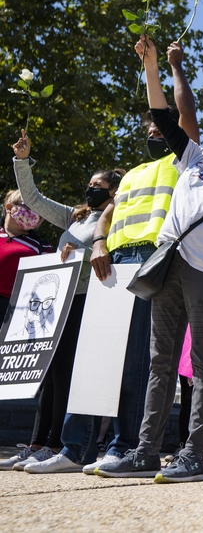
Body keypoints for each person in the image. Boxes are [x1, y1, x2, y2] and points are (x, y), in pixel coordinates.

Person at [98, 35, 203, 484]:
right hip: (168, 265)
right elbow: (165, 113)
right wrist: (155, 65)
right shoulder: (194, 157)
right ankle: (145, 451)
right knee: (160, 362)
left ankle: (194, 454)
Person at [49, 44, 200, 477]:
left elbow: (182, 113)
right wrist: (99, 244)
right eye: (151, 127)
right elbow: (107, 217)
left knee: (137, 362)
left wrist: (169, 66)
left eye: (161, 125)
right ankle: (73, 449)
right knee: (94, 358)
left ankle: (125, 446)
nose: (156, 130)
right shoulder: (131, 173)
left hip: (154, 264)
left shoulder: (183, 160)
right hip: (111, 265)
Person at [9, 131, 122, 472]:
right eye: (89, 184)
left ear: (113, 191)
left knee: (66, 375)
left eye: (97, 185)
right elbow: (34, 198)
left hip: (88, 301)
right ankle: (37, 444)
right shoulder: (76, 216)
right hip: (57, 303)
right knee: (50, 375)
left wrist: (83, 250)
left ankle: (59, 444)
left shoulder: (116, 218)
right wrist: (22, 161)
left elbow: (108, 255)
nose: (90, 189)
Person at [0, 191, 55, 471]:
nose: (33, 212)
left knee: (47, 379)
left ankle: (37, 443)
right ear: (9, 208)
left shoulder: (42, 246)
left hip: (23, 315)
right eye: (26, 206)